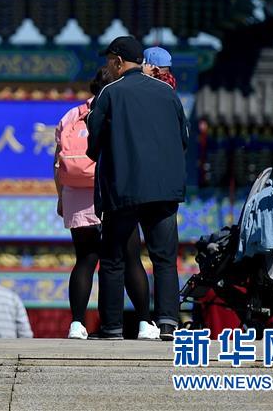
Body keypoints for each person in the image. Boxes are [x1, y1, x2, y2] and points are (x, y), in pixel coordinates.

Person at [86, 36, 188, 341]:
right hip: (165, 188)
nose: (108, 67)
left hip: (124, 187)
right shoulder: (167, 93)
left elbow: (94, 140)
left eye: (109, 61)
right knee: (164, 258)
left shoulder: (110, 92)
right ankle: (168, 323)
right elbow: (183, 138)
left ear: (118, 61)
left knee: (114, 258)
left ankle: (112, 326)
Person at [54, 69, 156, 340]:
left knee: (85, 260)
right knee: (130, 258)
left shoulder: (71, 115)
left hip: (77, 194)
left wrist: (61, 197)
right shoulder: (121, 110)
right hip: (114, 192)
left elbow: (57, 162)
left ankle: (77, 324)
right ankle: (144, 322)